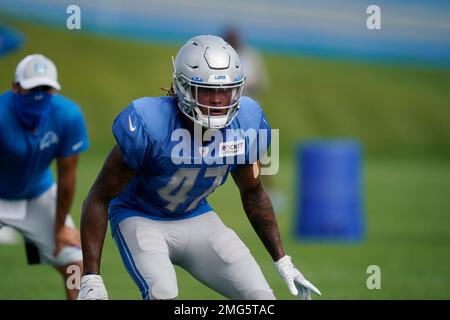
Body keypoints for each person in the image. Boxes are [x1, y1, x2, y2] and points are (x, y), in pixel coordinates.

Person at [77, 35, 320, 300]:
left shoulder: (247, 123)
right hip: (140, 217)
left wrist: (282, 259)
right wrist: (91, 277)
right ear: (183, 87)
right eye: (207, 90)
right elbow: (99, 197)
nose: (217, 100)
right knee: (163, 292)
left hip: (197, 217)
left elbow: (254, 193)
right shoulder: (150, 123)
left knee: (261, 297)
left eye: (225, 90)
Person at [0, 54, 90, 299]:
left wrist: (60, 226)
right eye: (32, 88)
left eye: (45, 88)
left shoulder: (67, 116)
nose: (39, 94)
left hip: (37, 195)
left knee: (76, 265)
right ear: (16, 88)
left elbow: (67, 176)